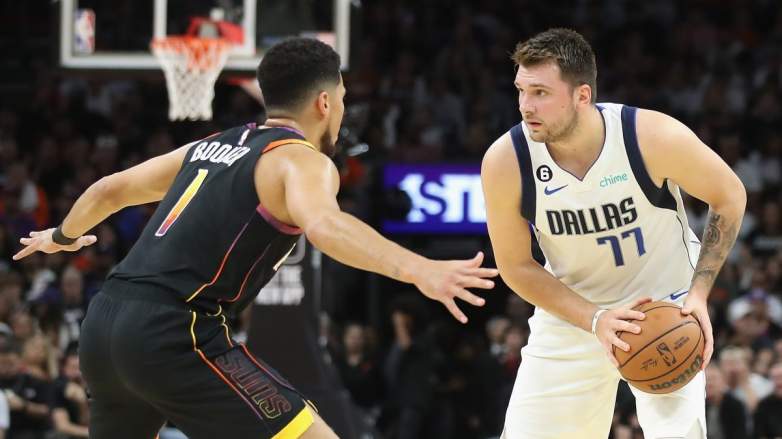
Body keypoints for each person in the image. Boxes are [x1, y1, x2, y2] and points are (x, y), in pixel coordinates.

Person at [12, 38, 498, 439]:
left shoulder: (212, 145)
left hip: (104, 322)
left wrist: (62, 234)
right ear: (325, 102)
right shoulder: (301, 160)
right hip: (176, 330)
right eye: (344, 100)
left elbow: (110, 188)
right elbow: (326, 227)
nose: (343, 112)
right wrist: (419, 269)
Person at [481, 28, 746, 438]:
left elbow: (729, 196)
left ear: (582, 95)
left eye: (540, 93)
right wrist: (595, 319)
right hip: (575, 311)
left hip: (664, 303)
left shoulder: (649, 136)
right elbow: (516, 266)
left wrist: (697, 294)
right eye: (521, 90)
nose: (525, 106)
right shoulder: (506, 162)